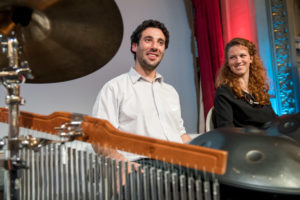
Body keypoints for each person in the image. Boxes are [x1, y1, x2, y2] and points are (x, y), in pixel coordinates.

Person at [92, 19, 191, 164]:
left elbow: (180, 134)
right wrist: (123, 164)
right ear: (134, 46)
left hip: (180, 164)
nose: (155, 47)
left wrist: (205, 153)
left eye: (160, 42)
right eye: (148, 40)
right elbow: (99, 139)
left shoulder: (171, 92)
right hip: (142, 166)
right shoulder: (114, 88)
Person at [214, 37, 277, 128]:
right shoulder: (224, 93)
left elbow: (274, 120)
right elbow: (226, 131)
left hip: (271, 138)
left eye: (242, 55)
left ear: (251, 59)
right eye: (233, 57)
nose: (238, 61)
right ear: (228, 63)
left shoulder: (258, 90)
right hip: (248, 141)